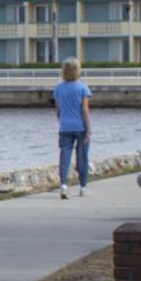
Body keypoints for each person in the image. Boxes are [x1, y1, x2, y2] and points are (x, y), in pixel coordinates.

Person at [51, 57, 91, 199]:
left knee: (64, 157)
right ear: (78, 71)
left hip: (65, 127)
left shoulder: (59, 88)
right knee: (82, 157)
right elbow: (85, 110)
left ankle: (63, 186)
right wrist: (88, 130)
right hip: (80, 127)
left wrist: (61, 122)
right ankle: (83, 187)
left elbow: (58, 109)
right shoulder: (82, 87)